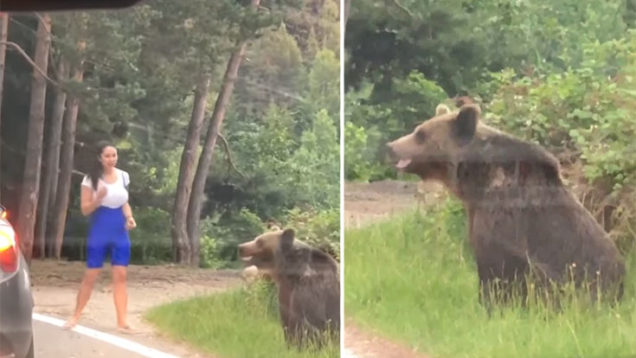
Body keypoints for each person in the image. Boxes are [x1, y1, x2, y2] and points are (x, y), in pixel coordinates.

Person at [64, 141, 137, 332]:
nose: (111, 159)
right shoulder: (90, 179)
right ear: (100, 158)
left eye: (114, 155)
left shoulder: (123, 176)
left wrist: (129, 217)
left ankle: (122, 320)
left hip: (119, 231)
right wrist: (98, 199)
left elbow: (125, 202)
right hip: (100, 230)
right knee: (91, 274)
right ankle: (75, 315)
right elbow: (85, 210)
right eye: (107, 156)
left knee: (120, 275)